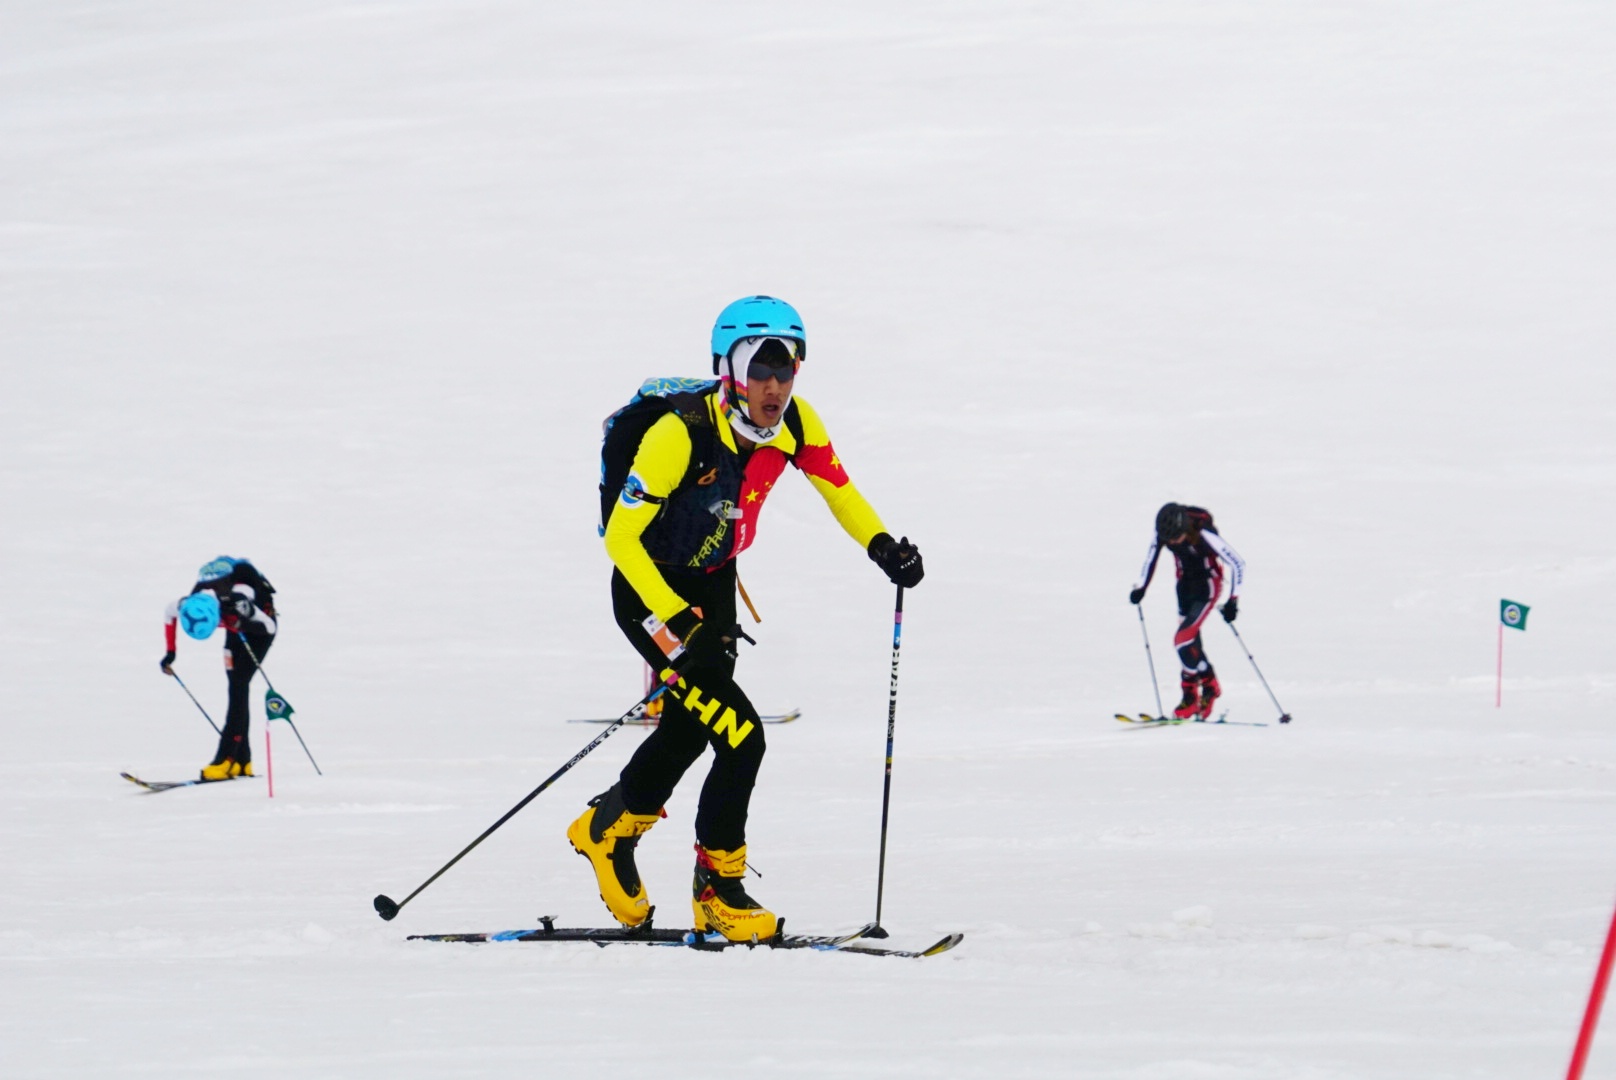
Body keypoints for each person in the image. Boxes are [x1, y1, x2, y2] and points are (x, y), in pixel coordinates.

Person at [568, 295, 924, 942]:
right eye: (760, 370)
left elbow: (839, 491)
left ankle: (607, 830)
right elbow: (621, 540)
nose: (774, 387)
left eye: (786, 370)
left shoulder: (796, 423)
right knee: (742, 736)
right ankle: (717, 891)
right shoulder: (679, 433)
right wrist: (681, 621)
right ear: (728, 368)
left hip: (715, 586)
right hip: (654, 595)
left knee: (687, 728)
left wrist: (882, 547)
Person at [160, 557, 279, 779]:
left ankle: (225, 760)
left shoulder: (241, 599)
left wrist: (243, 623)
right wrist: (171, 652)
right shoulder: (188, 603)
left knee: (239, 686)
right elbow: (168, 614)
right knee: (236, 688)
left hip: (257, 629)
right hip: (235, 628)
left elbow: (269, 627)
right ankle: (242, 761)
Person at [1129, 503, 1244, 721]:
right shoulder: (1164, 532)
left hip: (1208, 585)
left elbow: (1238, 563)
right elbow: (1151, 558)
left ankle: (1203, 686)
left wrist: (1233, 601)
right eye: (1168, 539)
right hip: (1184, 586)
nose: (1171, 543)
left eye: (1176, 538)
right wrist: (1141, 588)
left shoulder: (1203, 532)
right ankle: (1198, 694)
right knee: (1190, 644)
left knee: (1182, 640)